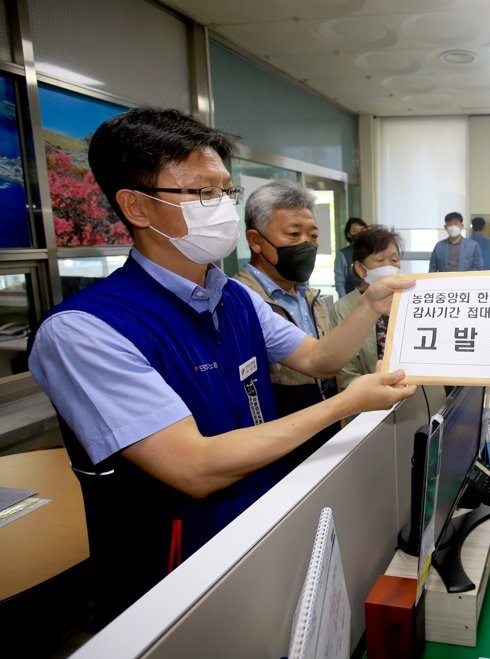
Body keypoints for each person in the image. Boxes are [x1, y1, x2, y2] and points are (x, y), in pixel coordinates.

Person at [27, 107, 416, 622]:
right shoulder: (84, 330)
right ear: (136, 208)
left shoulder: (232, 295)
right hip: (173, 573)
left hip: (260, 526)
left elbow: (318, 357)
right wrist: (347, 403)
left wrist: (370, 303)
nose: (222, 208)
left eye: (224, 192)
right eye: (201, 193)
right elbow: (192, 467)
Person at [234, 180, 344, 461]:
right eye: (294, 234)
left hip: (325, 428)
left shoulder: (312, 296)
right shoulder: (240, 301)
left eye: (313, 236)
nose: (306, 245)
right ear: (256, 241)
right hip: (275, 440)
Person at [334, 226, 403, 389]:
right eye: (380, 261)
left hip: (415, 399)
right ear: (360, 268)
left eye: (394, 260)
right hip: (370, 403)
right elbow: (346, 374)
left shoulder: (408, 301)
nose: (389, 267)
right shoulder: (343, 308)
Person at [333, 217, 367, 296]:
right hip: (351, 299)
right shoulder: (343, 254)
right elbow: (339, 282)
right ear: (349, 234)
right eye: (356, 231)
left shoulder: (371, 252)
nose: (359, 234)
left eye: (362, 231)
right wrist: (344, 302)